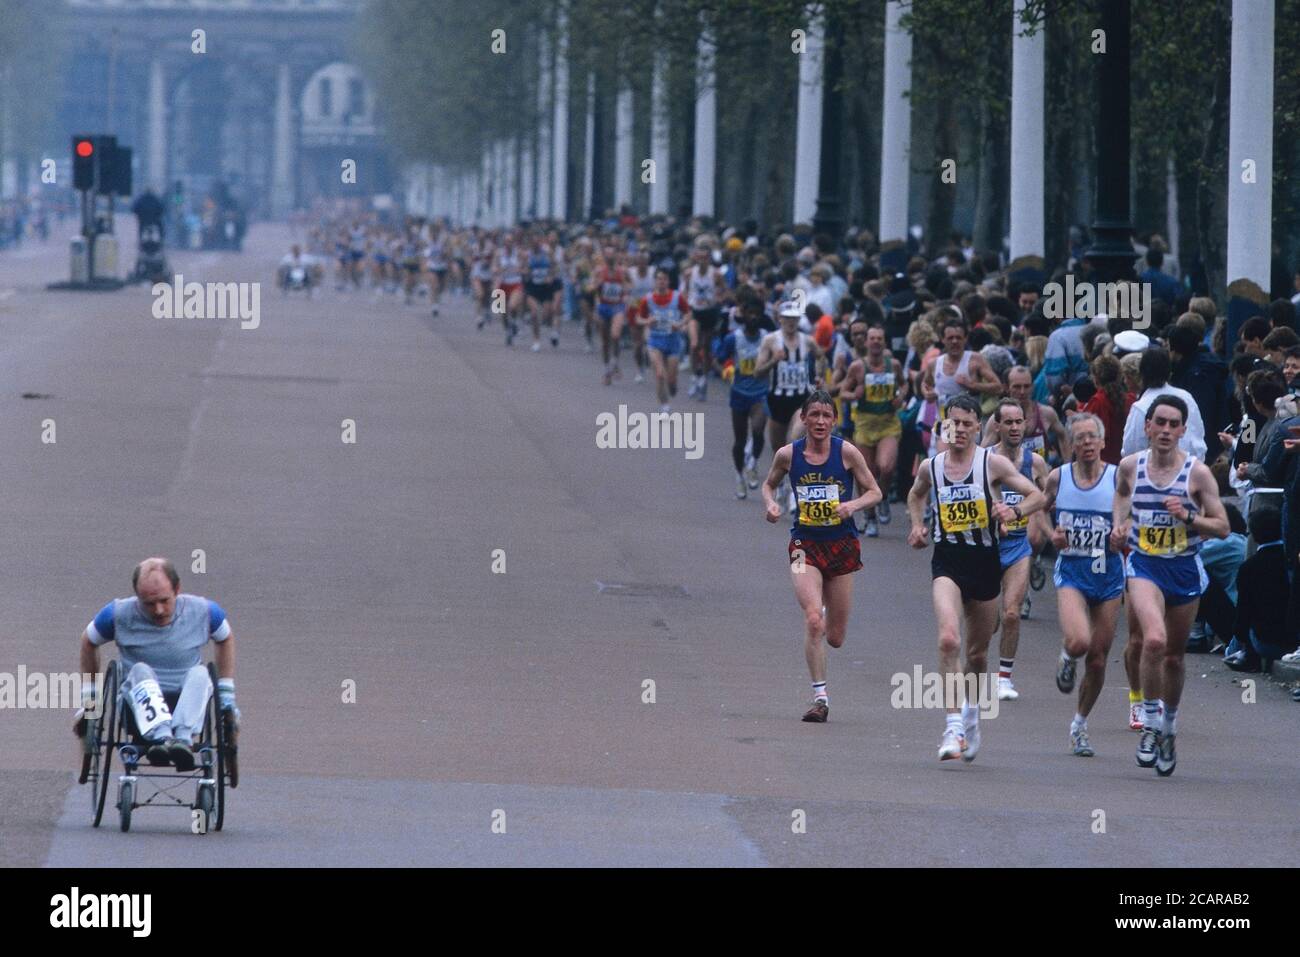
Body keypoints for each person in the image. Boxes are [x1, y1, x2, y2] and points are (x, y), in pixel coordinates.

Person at [906, 394, 1047, 761]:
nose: (960, 430)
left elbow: (1037, 495)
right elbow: (915, 495)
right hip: (947, 564)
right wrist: (918, 525)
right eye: (954, 423)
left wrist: (1013, 511)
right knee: (949, 639)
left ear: (978, 427)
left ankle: (970, 715)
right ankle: (952, 727)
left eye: (968, 423)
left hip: (985, 562)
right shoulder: (931, 467)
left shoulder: (992, 464)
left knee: (977, 654)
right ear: (944, 425)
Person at [1112, 395, 1229, 776]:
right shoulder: (1130, 466)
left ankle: (1169, 727)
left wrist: (1190, 515)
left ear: (1182, 430)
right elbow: (1122, 497)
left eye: (1172, 424)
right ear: (1147, 426)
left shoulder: (1197, 474)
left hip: (1183, 568)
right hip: (1144, 565)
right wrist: (1119, 526)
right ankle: (1149, 724)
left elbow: (1223, 527)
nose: (1164, 430)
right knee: (1154, 641)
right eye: (1158, 422)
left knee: (1175, 657)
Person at [762, 390, 882, 722]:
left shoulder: (847, 453)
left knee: (836, 637)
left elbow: (875, 492)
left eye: (826, 415)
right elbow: (769, 484)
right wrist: (771, 504)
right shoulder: (788, 455)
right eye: (814, 414)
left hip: (842, 545)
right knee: (813, 618)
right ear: (803, 418)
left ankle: (825, 608)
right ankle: (821, 697)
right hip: (803, 545)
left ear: (834, 420)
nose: (820, 421)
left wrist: (853, 505)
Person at [76, 558, 239, 771]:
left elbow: (225, 638)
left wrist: (226, 693)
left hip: (186, 701)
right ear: (137, 596)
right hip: (137, 705)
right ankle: (161, 737)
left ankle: (181, 740)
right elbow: (88, 641)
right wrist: (90, 699)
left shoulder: (204, 611)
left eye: (164, 600)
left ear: (177, 589)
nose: (159, 610)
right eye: (149, 603)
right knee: (140, 670)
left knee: (200, 673)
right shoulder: (117, 614)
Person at [1042, 414, 1126, 756]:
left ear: (1103, 442)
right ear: (1072, 445)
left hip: (1108, 574)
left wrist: (1123, 530)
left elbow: (1135, 512)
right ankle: (1066, 655)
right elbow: (1037, 507)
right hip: (1074, 571)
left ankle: (1079, 724)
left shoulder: (1119, 477)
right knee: (1079, 642)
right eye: (1080, 438)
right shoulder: (1058, 478)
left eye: (1093, 437)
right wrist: (1051, 535)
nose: (1087, 443)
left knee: (1097, 659)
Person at [989, 398, 1048, 697]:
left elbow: (1047, 496)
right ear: (997, 426)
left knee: (1012, 613)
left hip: (1017, 546)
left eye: (1018, 421)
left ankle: (1003, 679)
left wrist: (1038, 522)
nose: (1014, 427)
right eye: (1008, 422)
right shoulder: (983, 459)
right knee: (988, 621)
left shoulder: (1034, 462)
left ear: (1025, 424)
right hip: (985, 547)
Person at [755, 302, 826, 514]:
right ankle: (784, 484)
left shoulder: (808, 341)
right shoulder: (770, 340)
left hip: (800, 399)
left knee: (796, 443)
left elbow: (821, 356)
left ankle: (796, 495)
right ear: (780, 319)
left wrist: (819, 376)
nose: (791, 322)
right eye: (787, 318)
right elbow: (757, 372)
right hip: (777, 399)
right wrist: (773, 362)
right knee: (780, 451)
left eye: (795, 318)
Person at [838, 322, 906, 536]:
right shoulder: (858, 367)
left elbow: (904, 385)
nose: (876, 342)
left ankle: (883, 497)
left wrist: (901, 396)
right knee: (864, 474)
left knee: (885, 467)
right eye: (872, 338)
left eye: (879, 338)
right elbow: (843, 392)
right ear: (866, 342)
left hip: (888, 423)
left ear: (884, 342)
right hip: (865, 424)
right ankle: (870, 517)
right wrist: (854, 395)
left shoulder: (893, 364)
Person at [716, 292, 770, 498]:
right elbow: (719, 358)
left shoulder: (768, 338)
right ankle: (739, 476)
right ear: (744, 315)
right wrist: (726, 370)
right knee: (740, 440)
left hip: (761, 392)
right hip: (738, 393)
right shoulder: (733, 338)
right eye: (750, 313)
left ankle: (753, 463)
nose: (754, 317)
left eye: (757, 314)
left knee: (757, 430)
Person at [1120, 347, 1207, 460]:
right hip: (1191, 467)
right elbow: (1199, 438)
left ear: (1141, 373)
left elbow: (1131, 450)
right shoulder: (1187, 397)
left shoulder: (1141, 407)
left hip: (1157, 472)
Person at [632, 267, 691, 412]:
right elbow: (638, 318)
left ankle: (672, 385)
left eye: (664, 279)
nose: (661, 282)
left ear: (668, 281)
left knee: (671, 382)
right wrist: (647, 321)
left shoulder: (677, 297)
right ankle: (664, 407)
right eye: (659, 279)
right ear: (655, 281)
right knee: (659, 374)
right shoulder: (648, 299)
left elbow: (688, 314)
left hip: (673, 341)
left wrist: (680, 324)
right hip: (655, 340)